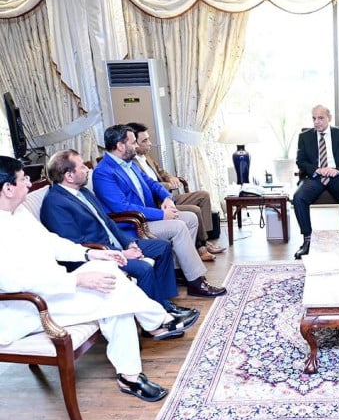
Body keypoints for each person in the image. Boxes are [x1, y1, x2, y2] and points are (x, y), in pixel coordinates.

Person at [0, 156, 199, 402]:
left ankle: (137, 362)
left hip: (55, 287)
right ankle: (156, 326)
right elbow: (14, 283)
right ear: (8, 188)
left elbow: (52, 243)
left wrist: (90, 253)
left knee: (109, 274)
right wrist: (78, 282)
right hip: (30, 307)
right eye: (24, 179)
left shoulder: (18, 213)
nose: (29, 184)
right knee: (116, 301)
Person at [40, 149, 199, 322]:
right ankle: (154, 321)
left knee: (162, 247)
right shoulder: (55, 203)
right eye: (82, 167)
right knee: (143, 268)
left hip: (114, 244)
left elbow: (108, 222)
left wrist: (129, 243)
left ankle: (163, 304)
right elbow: (76, 245)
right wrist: (120, 254)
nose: (87, 170)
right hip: (97, 256)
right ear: (69, 176)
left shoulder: (83, 192)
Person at [92, 124, 226, 298]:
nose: (136, 146)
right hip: (131, 226)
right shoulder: (103, 172)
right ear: (120, 146)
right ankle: (196, 282)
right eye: (133, 142)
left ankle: (180, 272)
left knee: (191, 218)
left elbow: (153, 184)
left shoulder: (130, 164)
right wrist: (162, 214)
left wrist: (167, 199)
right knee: (177, 226)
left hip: (146, 218)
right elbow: (122, 207)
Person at [128, 122, 225, 261]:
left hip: (166, 198)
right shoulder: (131, 164)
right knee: (194, 211)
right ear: (134, 143)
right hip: (157, 203)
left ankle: (205, 238)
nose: (150, 143)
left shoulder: (146, 157)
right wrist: (167, 185)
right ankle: (200, 246)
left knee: (203, 195)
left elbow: (161, 172)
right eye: (145, 140)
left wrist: (171, 178)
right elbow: (148, 187)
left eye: (148, 139)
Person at [292, 104, 339, 259]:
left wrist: (337, 170)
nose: (316, 122)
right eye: (314, 118)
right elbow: (300, 161)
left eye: (320, 118)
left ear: (329, 118)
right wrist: (316, 169)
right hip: (315, 177)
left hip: (338, 177)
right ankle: (307, 240)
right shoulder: (305, 136)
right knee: (298, 197)